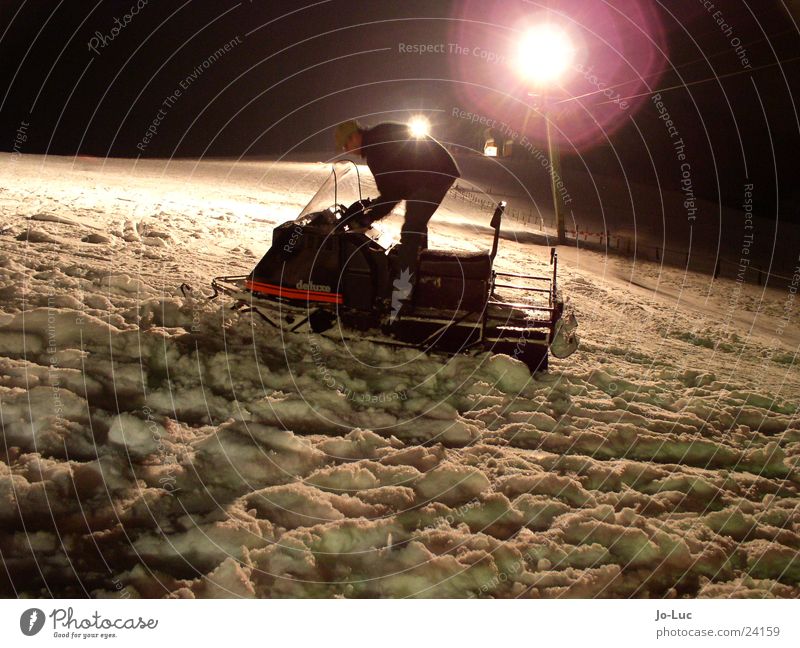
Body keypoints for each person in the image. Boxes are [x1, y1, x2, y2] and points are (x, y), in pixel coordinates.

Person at [334, 119, 460, 281]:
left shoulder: (376, 151)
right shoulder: (378, 135)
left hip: (433, 175)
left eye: (345, 146)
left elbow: (391, 194)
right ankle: (419, 270)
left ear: (353, 137)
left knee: (410, 231)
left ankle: (403, 291)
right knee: (416, 223)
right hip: (436, 171)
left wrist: (369, 216)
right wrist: (373, 207)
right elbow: (395, 187)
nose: (347, 151)